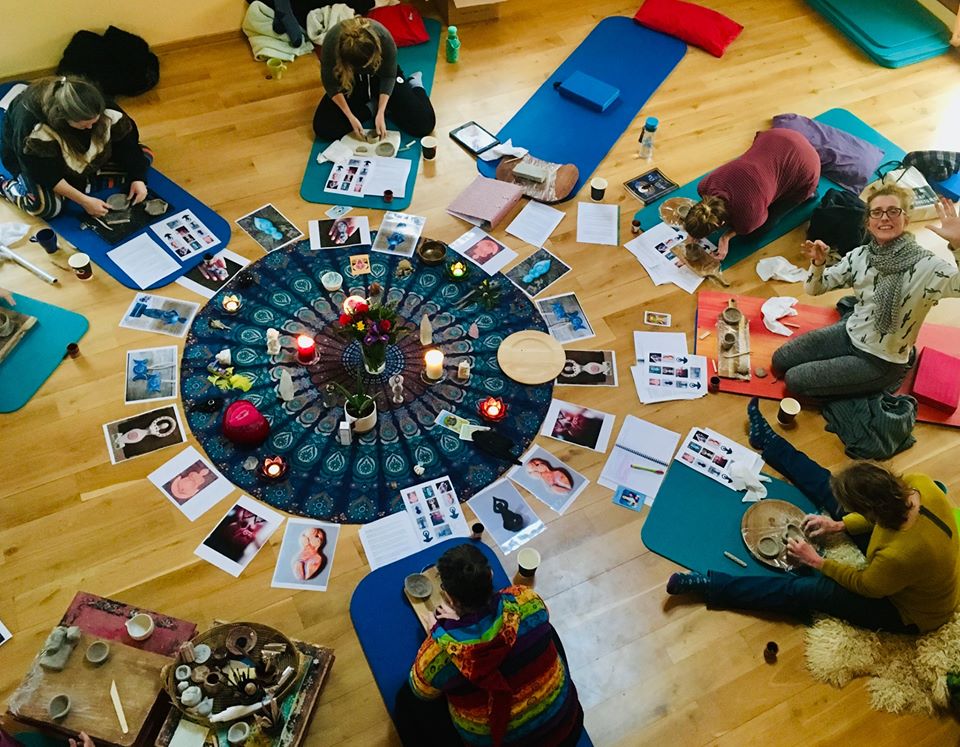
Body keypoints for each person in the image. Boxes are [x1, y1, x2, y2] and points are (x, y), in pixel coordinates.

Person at [665, 399, 960, 634]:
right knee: (830, 487)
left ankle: (711, 587)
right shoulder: (917, 484)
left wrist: (816, 561)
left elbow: (866, 586)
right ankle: (769, 442)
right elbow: (878, 516)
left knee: (807, 589)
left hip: (907, 613)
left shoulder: (897, 557)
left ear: (873, 511)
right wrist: (839, 523)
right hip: (906, 560)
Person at [772, 189, 960, 399]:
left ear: (906, 219)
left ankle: (883, 380)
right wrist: (818, 263)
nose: (884, 217)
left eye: (893, 211)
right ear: (868, 222)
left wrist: (958, 245)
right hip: (850, 331)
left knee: (795, 381)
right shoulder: (860, 256)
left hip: (881, 360)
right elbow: (814, 288)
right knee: (780, 360)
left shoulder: (927, 266)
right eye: (877, 212)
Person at [398, 544, 583, 747]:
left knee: (407, 698)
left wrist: (438, 633)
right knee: (543, 629)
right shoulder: (526, 599)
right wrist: (465, 621)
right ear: (491, 575)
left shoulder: (437, 654)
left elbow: (420, 690)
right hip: (567, 730)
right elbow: (541, 613)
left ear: (450, 597)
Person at [1, 76, 151, 219]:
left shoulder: (99, 105)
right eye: (84, 125)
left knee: (145, 155)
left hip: (83, 156)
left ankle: (80, 183)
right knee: (46, 208)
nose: (90, 127)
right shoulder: (34, 128)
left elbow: (127, 142)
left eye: (94, 122)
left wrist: (138, 178)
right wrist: (84, 201)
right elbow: (44, 174)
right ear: (63, 117)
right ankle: (6, 186)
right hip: (45, 163)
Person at [683, 128, 821, 259]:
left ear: (720, 225)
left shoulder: (748, 217)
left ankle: (810, 192)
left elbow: (755, 222)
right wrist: (693, 231)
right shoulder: (704, 186)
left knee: (754, 233)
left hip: (806, 166)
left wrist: (726, 237)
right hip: (776, 137)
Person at [312, 17, 436, 141]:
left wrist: (381, 111)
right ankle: (372, 107)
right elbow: (331, 84)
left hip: (381, 76)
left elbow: (388, 75)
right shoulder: (332, 42)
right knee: (323, 128)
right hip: (350, 79)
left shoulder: (384, 37)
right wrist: (350, 116)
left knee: (424, 124)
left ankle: (414, 83)